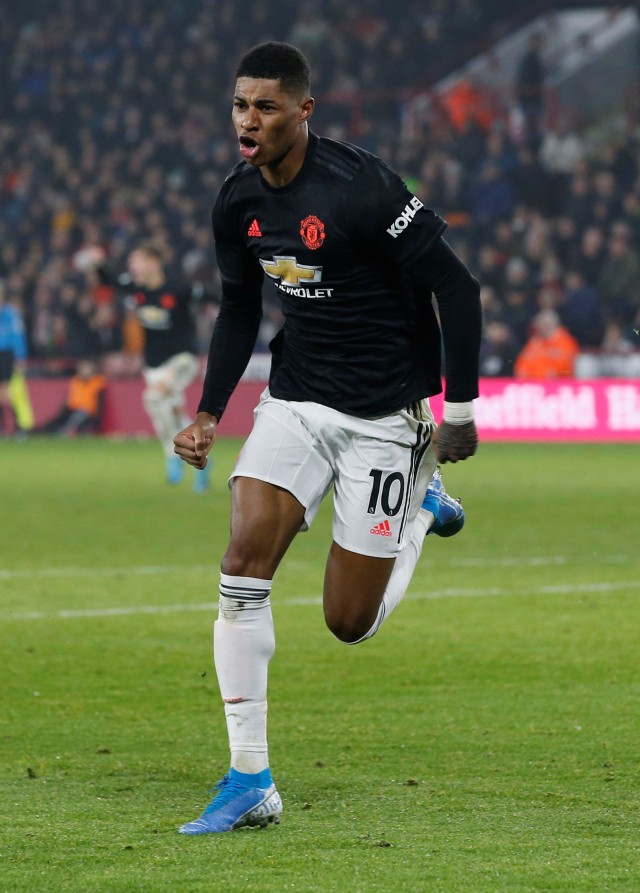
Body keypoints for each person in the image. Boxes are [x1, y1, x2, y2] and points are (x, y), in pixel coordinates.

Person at [173, 42, 482, 835]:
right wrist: (209, 411)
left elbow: (457, 285)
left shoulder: (361, 188)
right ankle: (250, 778)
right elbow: (239, 307)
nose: (247, 121)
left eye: (265, 106)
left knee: (349, 621)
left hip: (383, 417)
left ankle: (420, 509)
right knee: (242, 560)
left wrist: (459, 408)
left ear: (304, 110)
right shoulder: (237, 199)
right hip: (297, 400)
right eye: (240, 105)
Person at [96, 243, 213, 492]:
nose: (132, 267)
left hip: (182, 359)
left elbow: (213, 295)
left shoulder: (178, 288)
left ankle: (172, 456)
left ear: (154, 263)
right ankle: (201, 459)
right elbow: (109, 281)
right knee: (169, 411)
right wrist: (99, 263)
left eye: (137, 261)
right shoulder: (136, 288)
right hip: (154, 364)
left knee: (154, 397)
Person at [33, 358, 107, 435]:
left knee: (80, 414)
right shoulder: (75, 381)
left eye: (87, 369)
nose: (84, 371)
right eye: (82, 368)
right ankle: (41, 430)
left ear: (93, 370)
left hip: (87, 411)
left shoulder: (97, 382)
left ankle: (67, 431)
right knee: (58, 418)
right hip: (71, 408)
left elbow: (100, 402)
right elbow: (70, 397)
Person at [514, 309, 580, 379]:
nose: (543, 328)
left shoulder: (565, 342)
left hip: (557, 382)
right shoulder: (534, 343)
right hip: (532, 382)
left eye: (546, 324)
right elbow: (521, 364)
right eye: (540, 325)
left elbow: (566, 367)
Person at [0, 281, 28, 436]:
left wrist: (20, 357)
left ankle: (20, 426)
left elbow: (17, 337)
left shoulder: (11, 314)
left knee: (7, 393)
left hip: (6, 355)